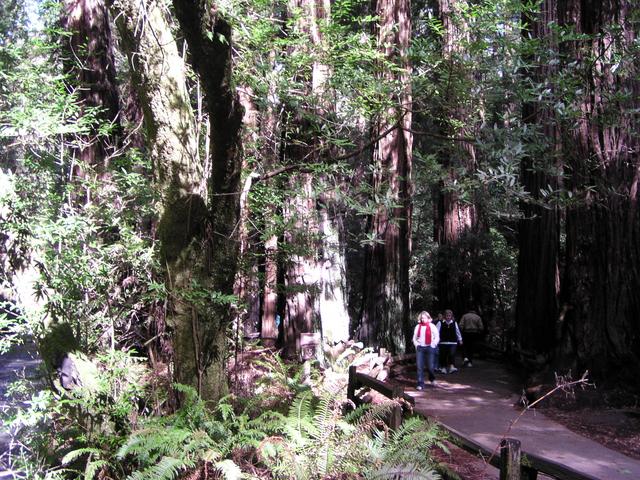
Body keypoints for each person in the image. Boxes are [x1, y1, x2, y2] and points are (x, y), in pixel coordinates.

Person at [412, 311, 440, 390]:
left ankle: (432, 378)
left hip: (430, 347)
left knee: (430, 366)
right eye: (422, 318)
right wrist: (417, 345)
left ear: (428, 318)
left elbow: (437, 336)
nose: (423, 319)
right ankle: (420, 383)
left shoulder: (432, 326)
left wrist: (433, 344)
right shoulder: (418, 326)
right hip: (420, 348)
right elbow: (414, 338)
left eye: (424, 318)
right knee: (419, 366)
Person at [439, 309, 462, 373]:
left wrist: (460, 339)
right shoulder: (440, 322)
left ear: (451, 316)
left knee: (452, 354)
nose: (448, 317)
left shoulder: (454, 323)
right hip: (443, 342)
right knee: (443, 355)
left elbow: (457, 332)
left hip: (453, 342)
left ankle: (452, 367)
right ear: (444, 316)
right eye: (447, 316)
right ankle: (443, 367)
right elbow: (436, 332)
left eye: (449, 316)